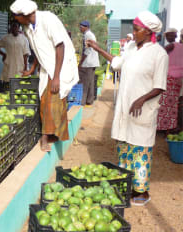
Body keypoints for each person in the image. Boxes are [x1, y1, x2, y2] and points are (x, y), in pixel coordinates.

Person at [86, 11, 168, 206]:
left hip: (142, 110)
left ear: (148, 32)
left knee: (140, 150)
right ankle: (126, 184)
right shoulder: (131, 47)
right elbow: (117, 63)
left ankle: (141, 191)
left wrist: (142, 99)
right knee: (124, 147)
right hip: (125, 107)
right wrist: (97, 48)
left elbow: (159, 85)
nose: (133, 32)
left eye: (136, 29)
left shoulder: (159, 54)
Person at [10, 0, 79, 152]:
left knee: (52, 100)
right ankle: (53, 134)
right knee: (45, 101)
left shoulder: (48, 20)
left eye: (16, 16)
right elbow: (37, 50)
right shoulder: (28, 28)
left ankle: (45, 137)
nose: (15, 19)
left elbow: (60, 46)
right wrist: (31, 69)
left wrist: (56, 76)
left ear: (25, 15)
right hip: (47, 67)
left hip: (59, 66)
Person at [157, 28, 183, 133]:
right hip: (179, 78)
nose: (169, 37)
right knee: (173, 104)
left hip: (170, 78)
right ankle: (170, 127)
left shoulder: (171, 46)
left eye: (171, 35)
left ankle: (164, 127)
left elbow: (159, 56)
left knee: (165, 104)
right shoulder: (180, 46)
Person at [78, 20, 100, 106]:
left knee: (84, 82)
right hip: (92, 62)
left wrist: (80, 63)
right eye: (80, 26)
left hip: (88, 62)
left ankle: (82, 101)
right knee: (90, 82)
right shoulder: (90, 34)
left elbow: (87, 50)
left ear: (86, 27)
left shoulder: (87, 35)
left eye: (82, 27)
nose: (80, 28)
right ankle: (89, 100)